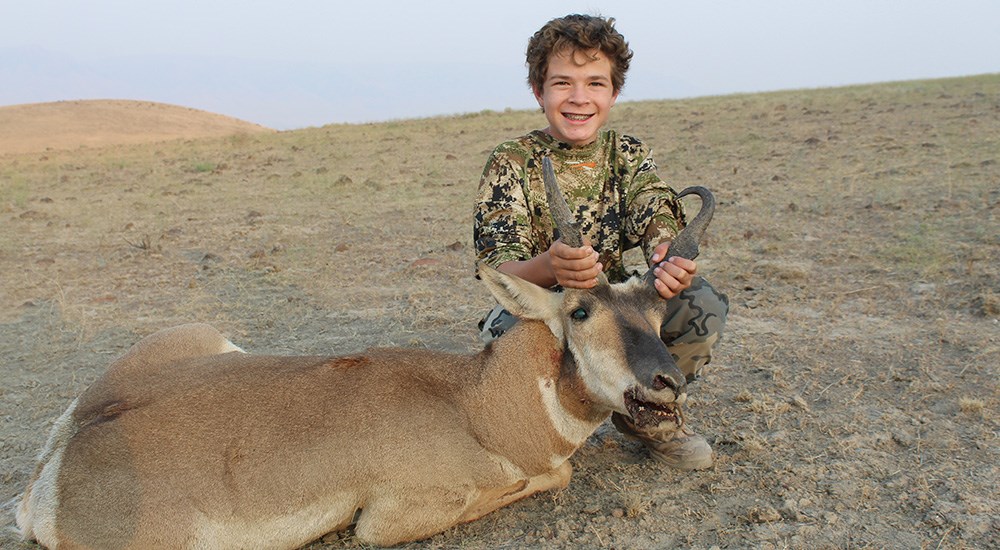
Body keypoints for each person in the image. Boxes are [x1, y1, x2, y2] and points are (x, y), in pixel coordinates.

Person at [473, 14, 729, 471]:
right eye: (562, 83)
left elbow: (655, 207)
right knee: (513, 334)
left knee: (699, 302)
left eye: (595, 83)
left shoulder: (627, 154)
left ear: (613, 93)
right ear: (539, 91)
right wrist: (550, 266)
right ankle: (537, 429)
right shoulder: (512, 161)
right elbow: (499, 269)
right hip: (546, 302)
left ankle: (647, 415)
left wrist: (667, 253)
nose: (578, 98)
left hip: (614, 301)